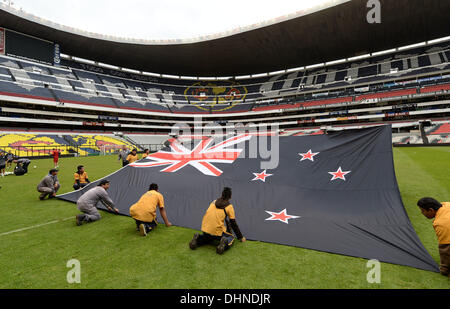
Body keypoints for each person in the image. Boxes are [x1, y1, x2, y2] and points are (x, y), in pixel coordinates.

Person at [189, 187, 246, 254]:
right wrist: (240, 237)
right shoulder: (229, 207)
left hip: (205, 229)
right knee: (231, 237)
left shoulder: (214, 201)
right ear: (230, 196)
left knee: (208, 238)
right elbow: (233, 223)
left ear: (222, 194)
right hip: (216, 232)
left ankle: (198, 238)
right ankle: (224, 243)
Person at [418, 197, 450, 277]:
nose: (421, 213)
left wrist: (444, 269)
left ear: (431, 210)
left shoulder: (441, 224)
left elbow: (445, 249)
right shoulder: (446, 204)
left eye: (423, 211)